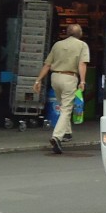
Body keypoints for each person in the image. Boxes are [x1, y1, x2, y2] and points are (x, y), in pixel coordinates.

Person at [33, 23, 89, 155]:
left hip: (55, 78)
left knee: (63, 105)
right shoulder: (82, 45)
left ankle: (67, 133)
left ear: (67, 33)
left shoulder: (57, 45)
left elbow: (47, 65)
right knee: (66, 109)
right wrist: (82, 80)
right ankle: (57, 137)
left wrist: (38, 80)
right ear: (79, 34)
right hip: (69, 78)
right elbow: (82, 64)